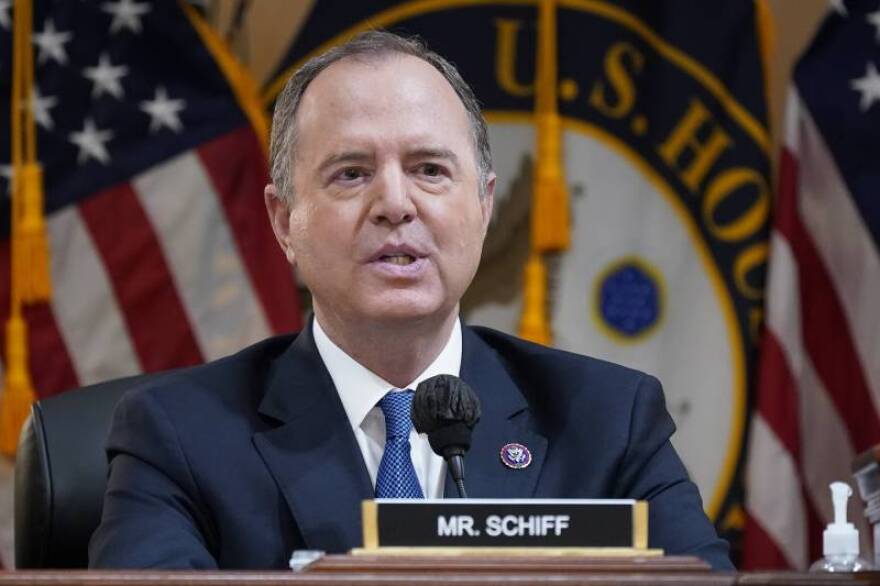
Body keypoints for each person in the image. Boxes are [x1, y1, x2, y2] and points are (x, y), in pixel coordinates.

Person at [88, 30, 733, 570]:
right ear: (284, 222)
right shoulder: (177, 436)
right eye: (351, 173)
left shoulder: (607, 422)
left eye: (429, 169)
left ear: (484, 207)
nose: (396, 204)